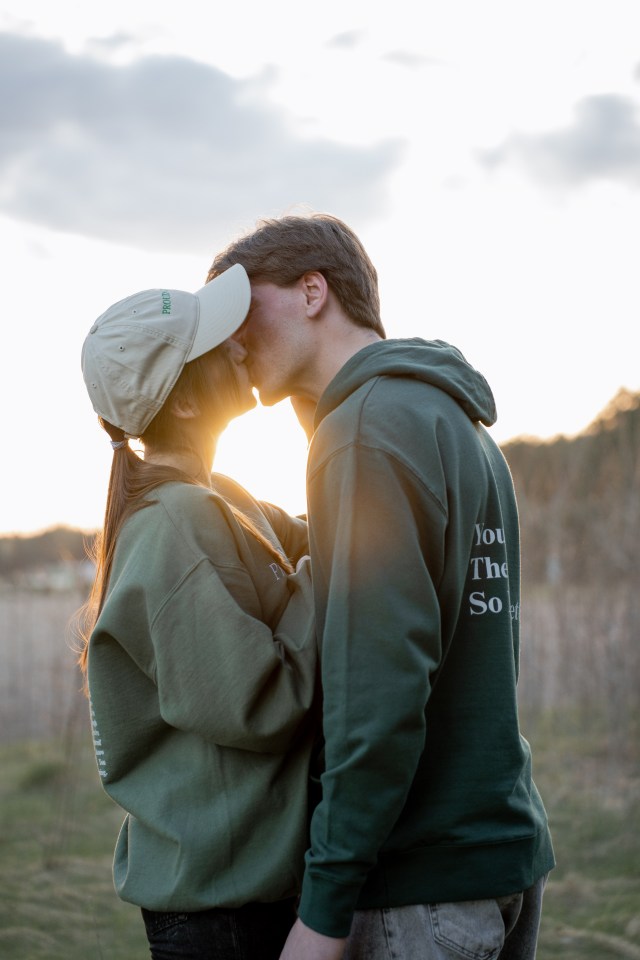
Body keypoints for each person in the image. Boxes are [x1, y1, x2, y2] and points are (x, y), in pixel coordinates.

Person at [206, 215, 556, 960]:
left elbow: (380, 690)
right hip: (495, 848)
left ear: (312, 291)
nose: (231, 339)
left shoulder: (364, 431)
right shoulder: (443, 414)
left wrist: (325, 907)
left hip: (418, 881)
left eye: (242, 307)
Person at [78, 264, 319, 960]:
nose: (242, 346)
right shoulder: (172, 523)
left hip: (247, 896)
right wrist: (318, 578)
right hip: (224, 918)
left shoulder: (220, 496)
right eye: (219, 343)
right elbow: (259, 702)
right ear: (182, 403)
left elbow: (318, 536)